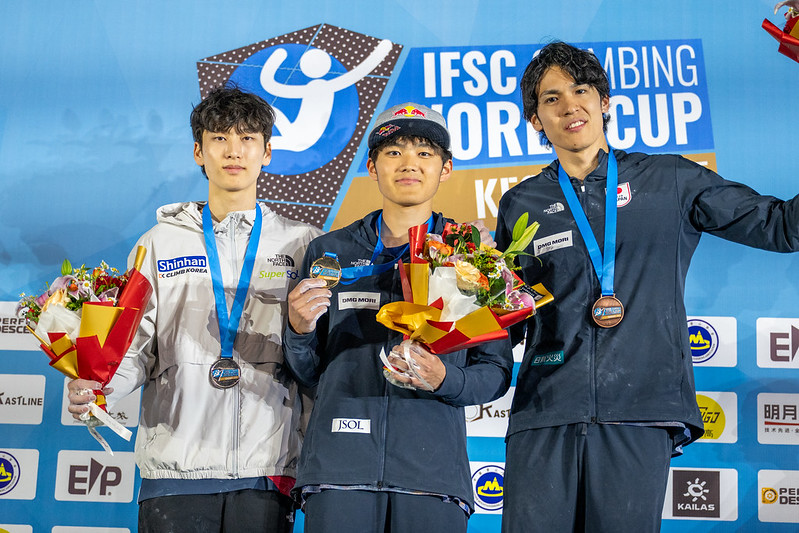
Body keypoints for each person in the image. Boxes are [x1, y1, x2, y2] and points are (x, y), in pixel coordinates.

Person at [494, 41, 799, 533]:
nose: (570, 105)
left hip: (640, 408)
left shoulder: (669, 178)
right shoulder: (520, 202)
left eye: (581, 90)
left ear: (604, 102)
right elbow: (506, 318)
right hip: (545, 411)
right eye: (551, 98)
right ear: (536, 120)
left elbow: (783, 227)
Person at [67, 86, 322, 533]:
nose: (233, 151)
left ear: (267, 153)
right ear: (198, 152)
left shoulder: (302, 243)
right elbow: (135, 349)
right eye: (219, 138)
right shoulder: (157, 243)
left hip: (266, 468)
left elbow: (316, 357)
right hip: (175, 468)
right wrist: (98, 387)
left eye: (247, 139)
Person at [283, 102, 513, 533]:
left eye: (424, 152)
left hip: (432, 475)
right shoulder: (329, 251)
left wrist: (444, 378)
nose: (409, 163)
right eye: (394, 152)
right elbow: (308, 372)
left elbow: (496, 372)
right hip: (339, 469)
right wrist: (298, 330)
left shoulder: (472, 255)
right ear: (372, 167)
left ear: (446, 168)